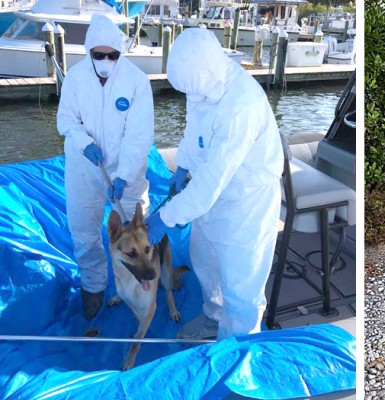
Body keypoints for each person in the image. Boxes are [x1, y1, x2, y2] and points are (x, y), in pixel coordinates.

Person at [145, 28, 283, 340]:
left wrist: (164, 219)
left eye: (193, 91)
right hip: (213, 195)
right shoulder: (203, 86)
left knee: (240, 280)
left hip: (246, 199)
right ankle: (213, 317)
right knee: (205, 258)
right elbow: (195, 132)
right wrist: (182, 164)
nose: (190, 98)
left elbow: (210, 183)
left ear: (206, 73)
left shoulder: (241, 104)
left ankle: (238, 347)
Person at [56, 14, 154, 320]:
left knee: (138, 231)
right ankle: (93, 285)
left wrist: (123, 176)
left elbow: (139, 137)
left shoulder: (137, 82)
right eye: (98, 55)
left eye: (112, 55)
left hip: (127, 173)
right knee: (84, 229)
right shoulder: (74, 79)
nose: (105, 60)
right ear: (88, 53)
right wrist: (85, 143)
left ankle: (145, 279)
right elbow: (67, 122)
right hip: (84, 168)